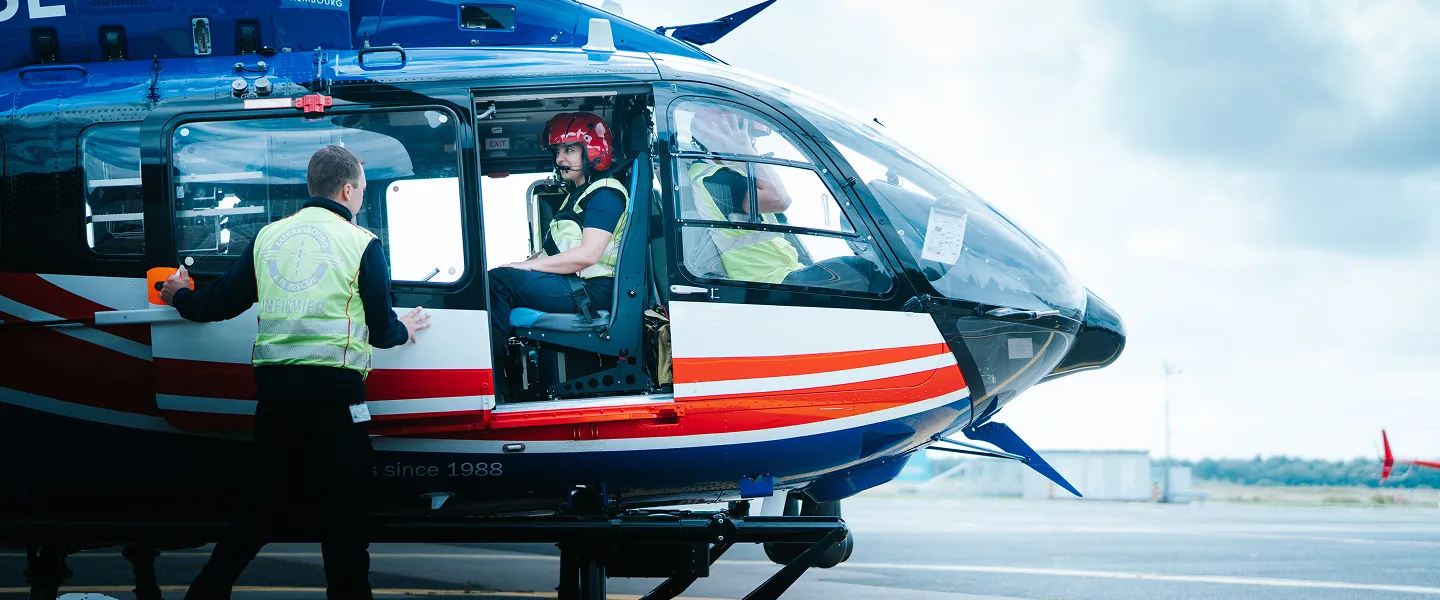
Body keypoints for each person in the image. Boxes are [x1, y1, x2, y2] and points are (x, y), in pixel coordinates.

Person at [160, 145, 432, 600]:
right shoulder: (362, 242)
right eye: (363, 189)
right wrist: (407, 330)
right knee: (343, 526)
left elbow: (217, 304)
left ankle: (203, 595)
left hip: (277, 401)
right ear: (347, 189)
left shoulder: (269, 237)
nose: (363, 197)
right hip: (335, 403)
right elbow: (382, 331)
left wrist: (178, 295)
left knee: (257, 513)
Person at [687, 107, 886, 292]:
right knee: (865, 271)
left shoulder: (724, 174)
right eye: (747, 137)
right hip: (766, 281)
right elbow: (780, 199)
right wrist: (745, 151)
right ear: (718, 137)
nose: (753, 144)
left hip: (781, 274)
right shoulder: (715, 179)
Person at [488, 112, 629, 366]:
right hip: (576, 283)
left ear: (592, 151)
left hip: (594, 289)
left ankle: (496, 375)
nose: (559, 158)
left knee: (498, 283)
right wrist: (519, 264)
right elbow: (553, 252)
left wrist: (528, 267)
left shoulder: (605, 194)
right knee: (499, 275)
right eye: (557, 151)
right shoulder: (576, 196)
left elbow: (588, 255)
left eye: (568, 150)